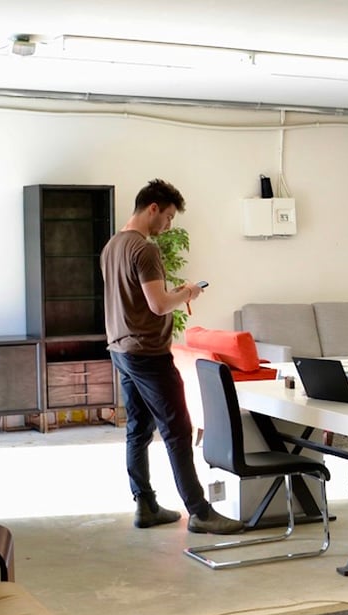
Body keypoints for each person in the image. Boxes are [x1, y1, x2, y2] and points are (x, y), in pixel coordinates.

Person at [101, 179, 243, 534]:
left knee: (138, 429)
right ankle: (200, 512)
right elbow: (159, 304)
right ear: (153, 208)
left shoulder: (112, 246)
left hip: (121, 349)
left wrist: (172, 294)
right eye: (167, 217)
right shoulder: (144, 250)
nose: (168, 226)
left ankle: (145, 504)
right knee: (178, 429)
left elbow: (134, 300)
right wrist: (189, 292)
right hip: (147, 353)